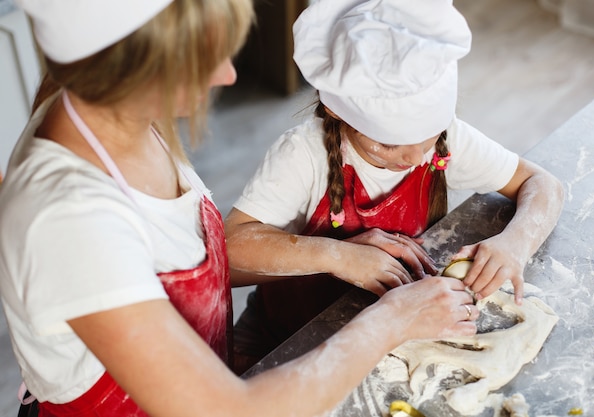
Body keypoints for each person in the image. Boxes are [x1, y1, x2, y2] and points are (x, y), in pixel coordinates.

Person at [0, 1, 481, 416]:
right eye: (203, 54)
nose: (227, 75)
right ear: (130, 64)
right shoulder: (69, 222)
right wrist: (392, 320)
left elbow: (207, 270)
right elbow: (227, 410)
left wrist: (337, 253)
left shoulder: (113, 116)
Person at [224, 0, 565, 372]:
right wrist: (336, 255)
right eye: (387, 144)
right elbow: (230, 253)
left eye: (428, 138)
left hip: (378, 339)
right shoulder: (302, 155)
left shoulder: (445, 142)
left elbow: (542, 183)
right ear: (338, 113)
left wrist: (515, 244)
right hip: (282, 335)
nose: (414, 158)